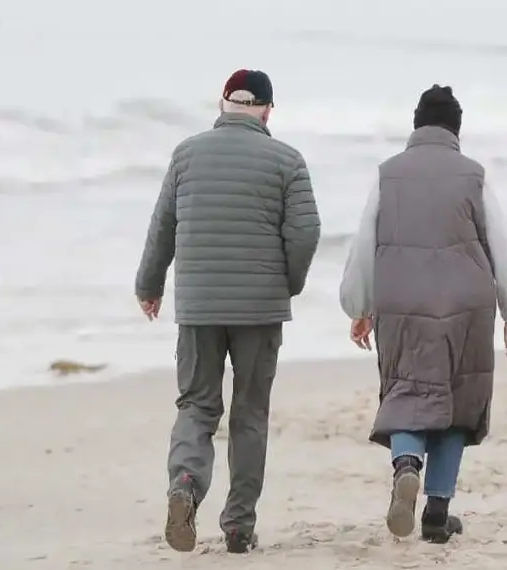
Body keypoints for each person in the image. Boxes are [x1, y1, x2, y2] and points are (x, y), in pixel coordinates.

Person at [339, 84, 507, 544]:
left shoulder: (388, 175)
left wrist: (359, 305)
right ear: (456, 129)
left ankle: (406, 465)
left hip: (400, 300)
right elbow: (500, 246)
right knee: (457, 402)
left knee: (408, 391)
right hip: (465, 305)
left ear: (416, 125)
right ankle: (437, 512)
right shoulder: (474, 176)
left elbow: (364, 243)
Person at [135, 69, 321, 554]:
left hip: (198, 306)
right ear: (267, 110)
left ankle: (185, 485)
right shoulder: (287, 160)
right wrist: (288, 284)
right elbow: (306, 233)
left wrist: (149, 286)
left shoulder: (186, 154)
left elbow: (162, 227)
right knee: (250, 413)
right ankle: (238, 526)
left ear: (222, 104)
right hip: (260, 309)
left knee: (196, 406)